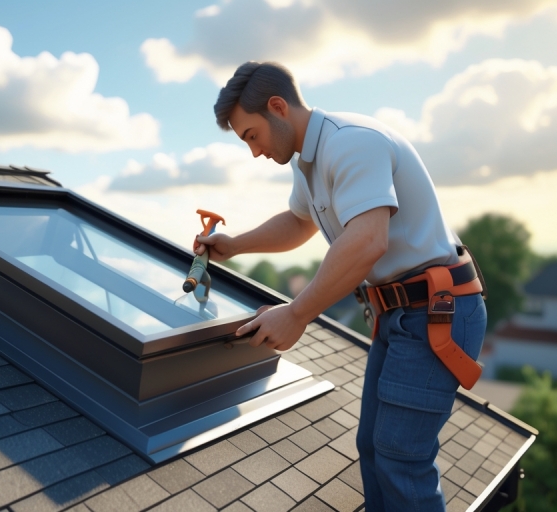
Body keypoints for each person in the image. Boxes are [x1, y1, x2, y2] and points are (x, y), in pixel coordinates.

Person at [195, 61, 487, 511]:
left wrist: (296, 314)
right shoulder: (308, 161)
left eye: (252, 135)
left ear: (277, 107)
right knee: (373, 448)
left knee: (400, 459)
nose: (253, 151)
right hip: (402, 314)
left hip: (436, 313)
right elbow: (298, 222)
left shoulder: (350, 143)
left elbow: (368, 241)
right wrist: (234, 245)